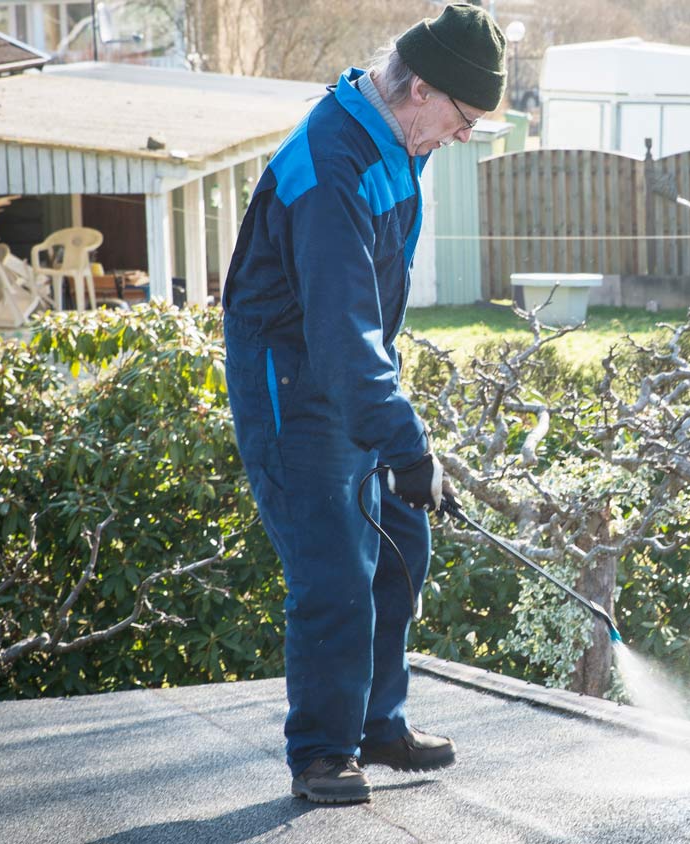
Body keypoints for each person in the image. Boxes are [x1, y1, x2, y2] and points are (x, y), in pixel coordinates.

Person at [220, 4, 505, 804]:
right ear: (418, 88)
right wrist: (406, 441)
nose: (465, 137)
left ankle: (377, 722)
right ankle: (320, 750)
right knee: (334, 564)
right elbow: (341, 328)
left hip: (347, 367)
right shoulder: (330, 163)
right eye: (463, 119)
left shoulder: (394, 138)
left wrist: (398, 437)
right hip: (293, 378)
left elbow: (368, 320)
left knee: (400, 541)